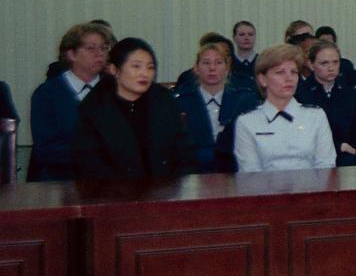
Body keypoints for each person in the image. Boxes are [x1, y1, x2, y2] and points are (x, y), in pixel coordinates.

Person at [74, 37, 196, 180]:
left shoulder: (165, 103)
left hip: (164, 192)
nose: (144, 73)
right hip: (111, 194)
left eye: (150, 67)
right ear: (114, 69)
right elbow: (89, 164)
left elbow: (184, 153)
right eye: (136, 66)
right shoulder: (94, 107)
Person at [28, 23, 112, 181]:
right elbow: (46, 149)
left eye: (104, 48)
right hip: (59, 181)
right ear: (71, 54)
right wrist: (93, 155)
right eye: (91, 48)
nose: (100, 54)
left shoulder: (113, 89)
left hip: (108, 180)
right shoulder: (47, 94)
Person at [234, 44, 335, 172]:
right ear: (262, 79)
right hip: (265, 190)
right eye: (280, 72)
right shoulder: (248, 122)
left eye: (294, 72)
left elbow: (326, 166)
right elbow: (250, 173)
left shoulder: (315, 116)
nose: (289, 78)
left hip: (310, 189)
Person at [174, 42, 259, 173]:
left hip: (235, 170)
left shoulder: (243, 100)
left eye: (218, 62)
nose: (212, 68)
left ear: (227, 68)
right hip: (194, 172)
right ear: (196, 68)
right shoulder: (182, 102)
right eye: (206, 63)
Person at [297, 40, 356, 166]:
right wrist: (339, 146)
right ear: (311, 64)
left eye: (335, 62)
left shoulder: (352, 94)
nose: (331, 68)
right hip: (312, 162)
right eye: (324, 63)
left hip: (350, 161)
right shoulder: (300, 94)